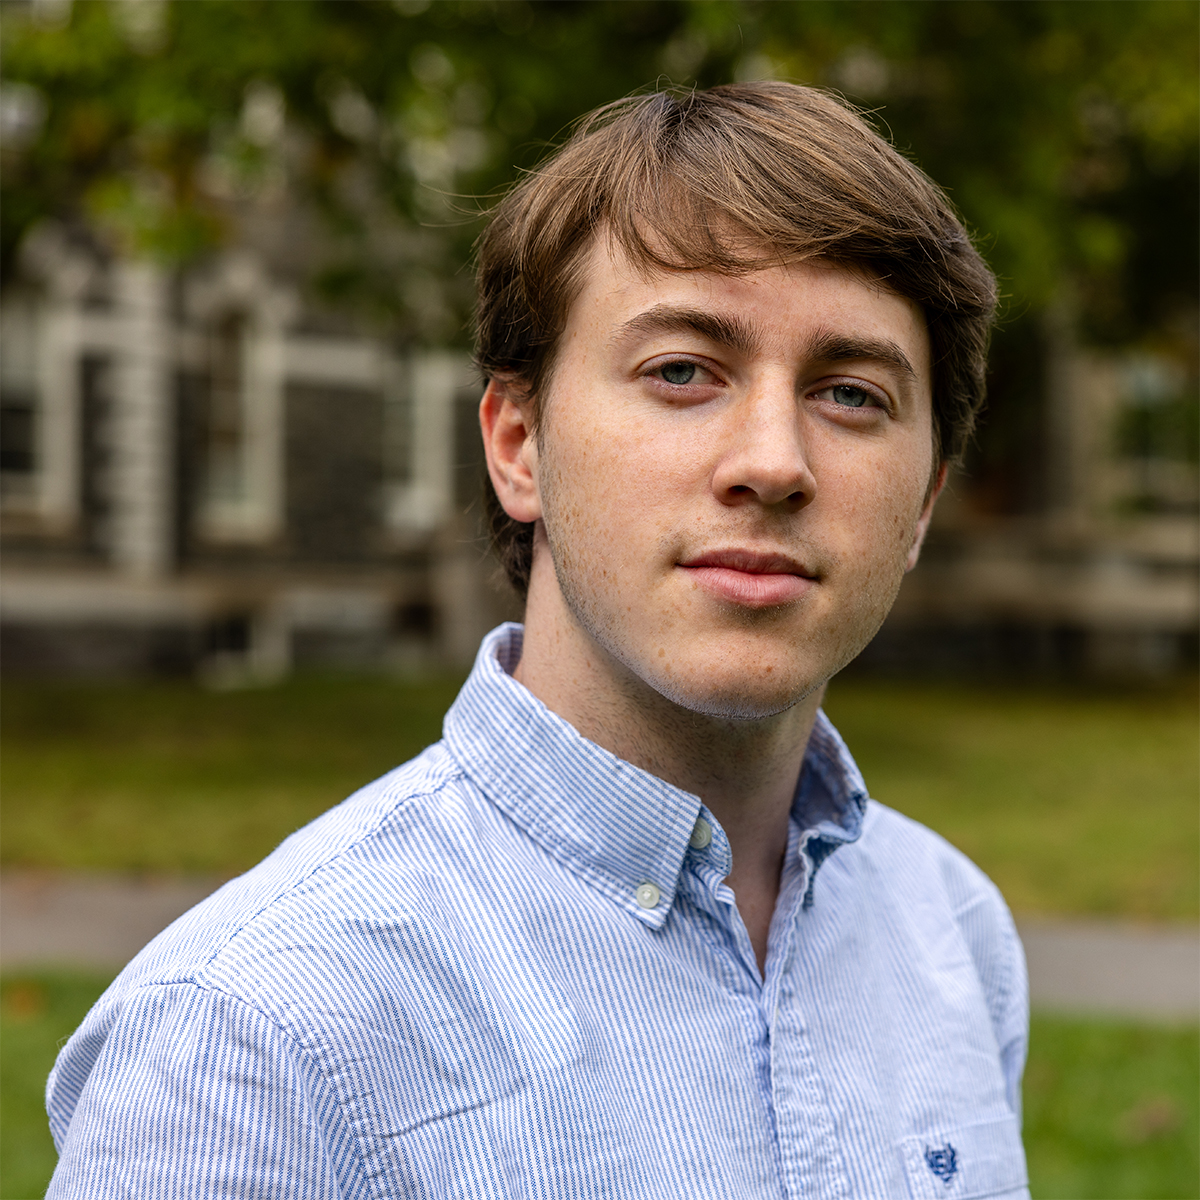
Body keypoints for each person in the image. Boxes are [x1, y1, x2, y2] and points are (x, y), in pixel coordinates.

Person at [46, 83, 1029, 1199]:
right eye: (682, 371)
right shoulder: (255, 1035)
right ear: (518, 446)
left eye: (851, 393)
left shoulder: (952, 931)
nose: (773, 461)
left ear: (924, 504)